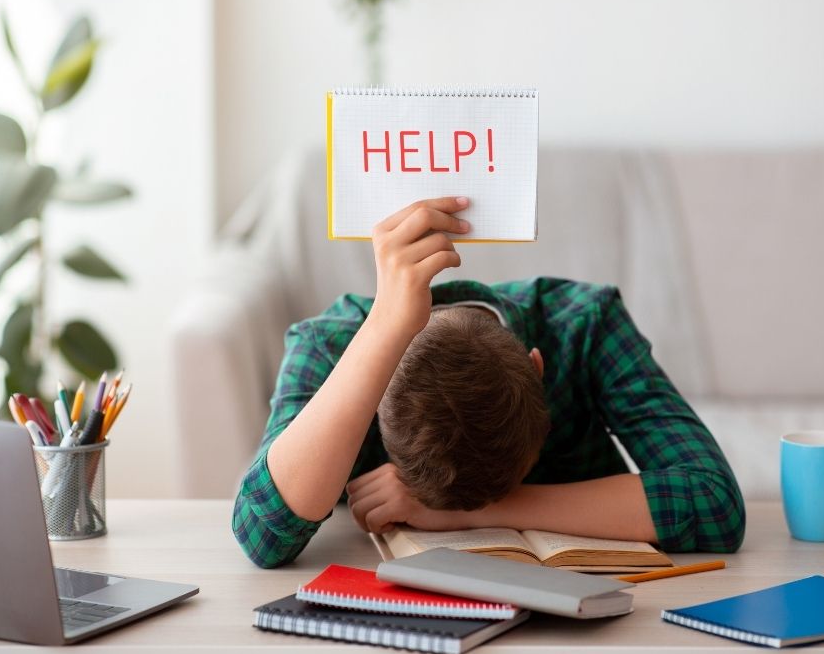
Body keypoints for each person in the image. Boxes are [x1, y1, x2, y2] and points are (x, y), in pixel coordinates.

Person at [232, 197, 745, 568]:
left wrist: (452, 513)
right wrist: (385, 327)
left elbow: (714, 501)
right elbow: (260, 534)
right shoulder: (332, 345)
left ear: (538, 370)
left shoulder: (586, 324)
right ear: (377, 397)